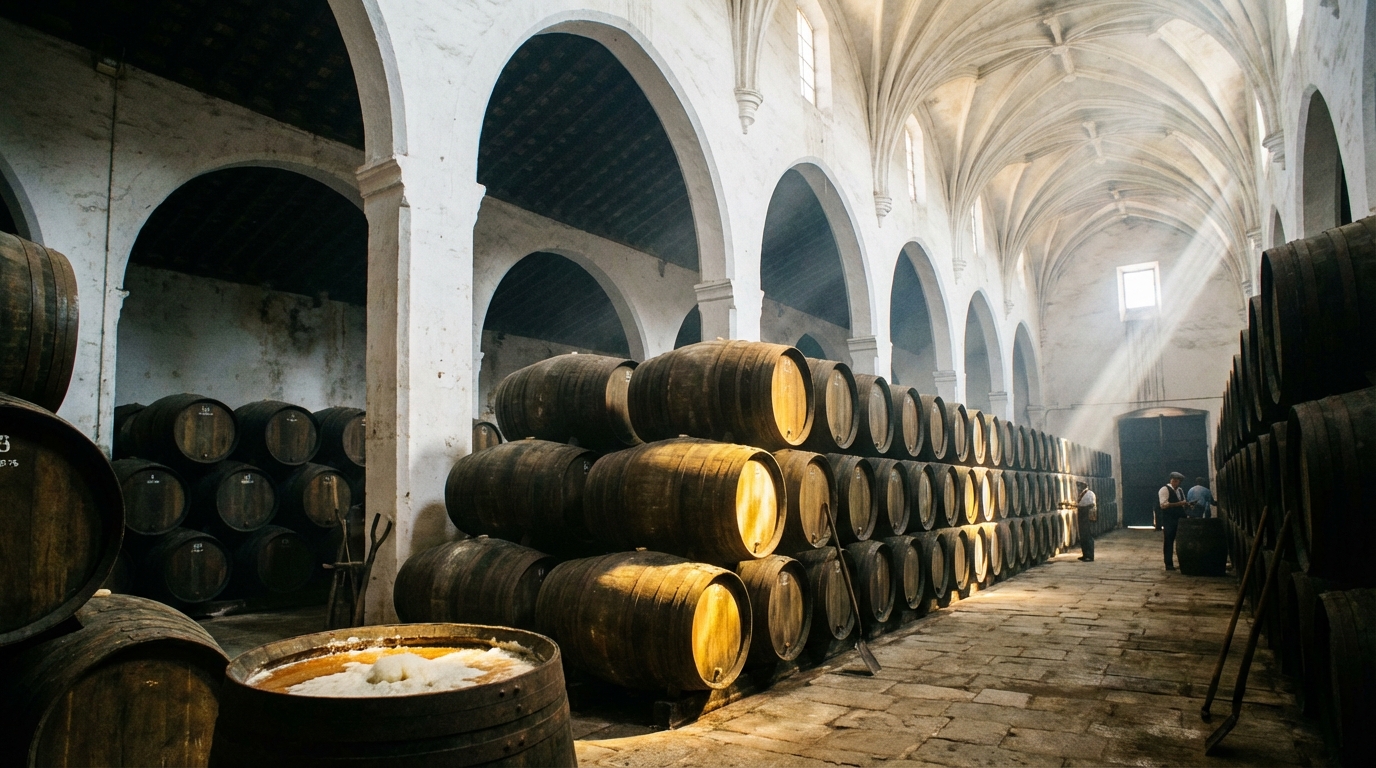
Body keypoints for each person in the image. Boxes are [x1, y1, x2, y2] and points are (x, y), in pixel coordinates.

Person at [1159, 471, 1191, 570]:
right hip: (1169, 519)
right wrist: (1179, 503)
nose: (1177, 483)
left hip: (1180, 519)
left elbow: (1182, 502)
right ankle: (1168, 564)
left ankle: (1183, 562)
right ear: (1171, 480)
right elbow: (1163, 505)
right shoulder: (1164, 489)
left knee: (1182, 541)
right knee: (1169, 541)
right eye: (1175, 481)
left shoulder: (1180, 490)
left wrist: (1187, 504)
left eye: (1178, 481)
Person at [1073, 479, 1097, 562]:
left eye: (1079, 487)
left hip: (1087, 515)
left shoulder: (1089, 493)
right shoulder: (1083, 494)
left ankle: (1090, 556)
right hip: (1082, 515)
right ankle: (1085, 554)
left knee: (1087, 535)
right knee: (1083, 535)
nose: (1078, 488)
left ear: (1083, 486)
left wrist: (1079, 506)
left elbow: (1090, 505)